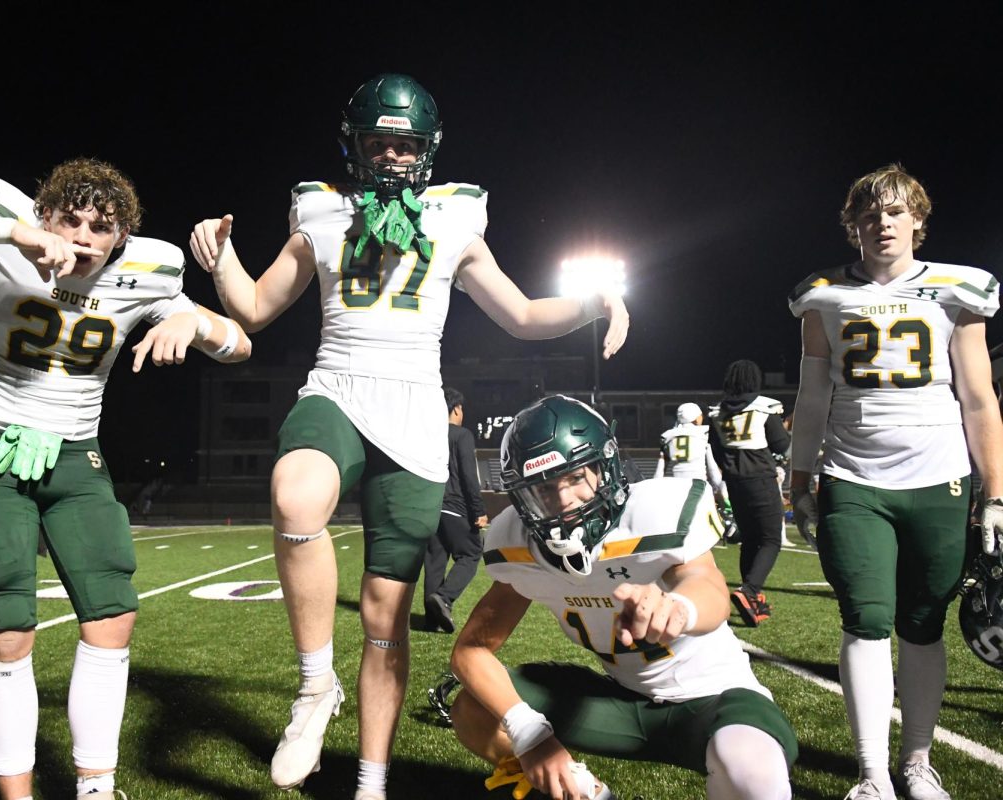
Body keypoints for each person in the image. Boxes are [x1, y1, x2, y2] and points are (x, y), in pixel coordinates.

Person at [189, 74, 629, 799]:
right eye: (378, 143)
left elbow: (518, 314)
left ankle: (371, 781)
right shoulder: (322, 212)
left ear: (425, 150)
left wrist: (593, 301)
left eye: (405, 144)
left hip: (417, 405)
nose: (392, 156)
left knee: (384, 616)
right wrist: (221, 257)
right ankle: (313, 687)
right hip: (337, 385)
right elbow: (256, 307)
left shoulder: (456, 219)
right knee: (295, 497)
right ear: (354, 146)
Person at [0, 158, 251, 800]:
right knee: (10, 624)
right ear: (43, 216)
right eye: (68, 219)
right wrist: (6, 234)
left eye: (101, 226)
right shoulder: (5, 244)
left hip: (77, 454)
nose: (83, 236)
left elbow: (239, 342)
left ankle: (95, 784)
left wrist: (195, 323)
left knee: (112, 614)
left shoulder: (146, 274)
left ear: (121, 237)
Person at [447, 395, 797, 800]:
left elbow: (710, 587)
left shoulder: (651, 515)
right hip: (620, 704)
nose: (563, 502)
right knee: (474, 711)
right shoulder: (520, 547)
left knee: (749, 772)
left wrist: (679, 608)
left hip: (714, 700)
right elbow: (470, 650)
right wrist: (530, 734)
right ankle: (589, 793)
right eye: (543, 488)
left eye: (576, 478)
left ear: (605, 467)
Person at [787, 164, 1002, 800]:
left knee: (922, 622)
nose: (884, 222)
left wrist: (995, 494)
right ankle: (873, 774)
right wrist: (800, 479)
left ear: (918, 221)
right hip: (853, 479)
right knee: (865, 618)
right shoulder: (822, 296)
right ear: (853, 223)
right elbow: (813, 394)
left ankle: (916, 760)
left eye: (897, 211)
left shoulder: (959, 291)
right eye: (871, 213)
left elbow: (979, 399)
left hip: (940, 479)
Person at [708, 360, 790, 627]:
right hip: (761, 478)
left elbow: (716, 451)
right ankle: (750, 591)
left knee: (751, 540)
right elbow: (782, 445)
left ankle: (752, 600)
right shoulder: (764, 407)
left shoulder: (716, 412)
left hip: (734, 480)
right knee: (770, 540)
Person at [423, 387, 489, 633]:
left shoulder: (427, 436)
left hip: (431, 507)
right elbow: (469, 476)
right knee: (471, 554)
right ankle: (445, 598)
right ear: (457, 409)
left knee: (434, 561)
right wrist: (478, 510)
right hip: (455, 507)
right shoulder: (461, 435)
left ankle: (431, 621)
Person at [653, 402, 726, 500]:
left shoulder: (668, 436)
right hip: (699, 486)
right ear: (696, 419)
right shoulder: (704, 434)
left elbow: (659, 473)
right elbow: (713, 469)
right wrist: (722, 491)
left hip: (677, 489)